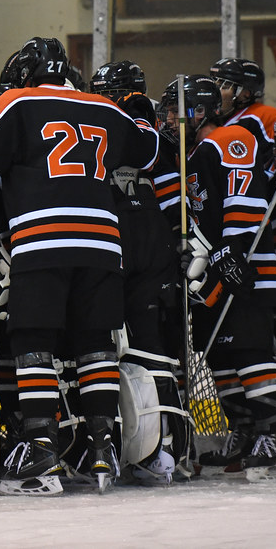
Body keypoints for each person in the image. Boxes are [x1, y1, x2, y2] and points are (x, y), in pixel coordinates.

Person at [0, 36, 160, 495]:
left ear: (26, 75)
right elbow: (150, 151)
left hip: (43, 242)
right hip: (102, 245)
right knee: (95, 343)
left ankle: (42, 447)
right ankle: (102, 448)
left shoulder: (17, 103)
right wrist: (141, 113)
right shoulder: (104, 109)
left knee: (33, 341)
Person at [162, 75, 276, 483]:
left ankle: (274, 437)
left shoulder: (231, 138)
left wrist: (232, 248)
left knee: (251, 353)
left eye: (172, 109)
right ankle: (244, 433)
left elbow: (244, 198)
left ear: (197, 111)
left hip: (244, 270)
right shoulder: (195, 151)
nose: (167, 117)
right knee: (221, 358)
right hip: (215, 274)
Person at [88, 60, 192, 484]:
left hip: (118, 238)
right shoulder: (148, 128)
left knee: (117, 347)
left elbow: (172, 191)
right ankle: (161, 446)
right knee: (147, 349)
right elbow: (172, 195)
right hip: (145, 239)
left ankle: (136, 445)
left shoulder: (101, 123)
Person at [211, 57, 276, 445]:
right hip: (264, 239)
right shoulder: (228, 126)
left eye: (223, 84)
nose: (217, 91)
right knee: (264, 331)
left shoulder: (263, 116)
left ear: (243, 90)